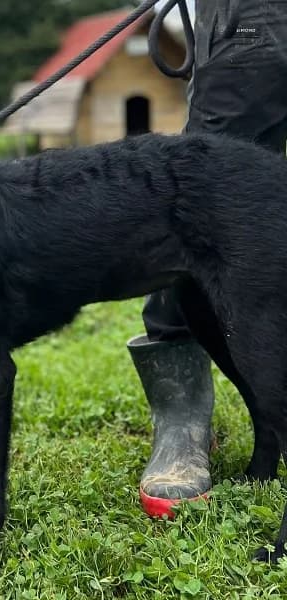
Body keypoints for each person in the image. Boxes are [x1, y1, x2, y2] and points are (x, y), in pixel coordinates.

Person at [129, 0, 287, 518]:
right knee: (201, 228)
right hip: (241, 19)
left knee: (199, 220)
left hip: (253, 20)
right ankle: (193, 414)